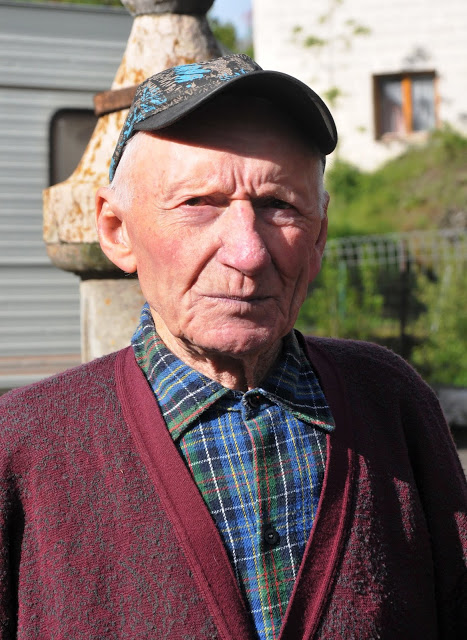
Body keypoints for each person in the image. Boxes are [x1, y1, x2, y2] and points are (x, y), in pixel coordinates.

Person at [0, 54, 465, 639]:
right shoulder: (22, 444)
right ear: (117, 231)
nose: (247, 253)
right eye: (199, 204)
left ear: (319, 235)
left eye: (280, 206)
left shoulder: (391, 401)